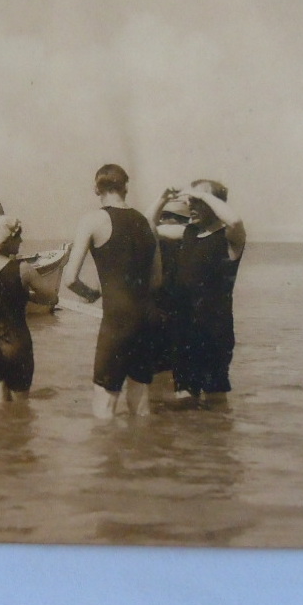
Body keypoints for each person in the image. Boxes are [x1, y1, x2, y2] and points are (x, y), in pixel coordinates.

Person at [63, 163, 161, 419]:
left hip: (116, 321)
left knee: (104, 404)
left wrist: (90, 294)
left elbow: (70, 278)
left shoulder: (93, 220)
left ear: (96, 189)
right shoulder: (147, 223)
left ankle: (108, 457)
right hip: (146, 319)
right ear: (126, 187)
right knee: (140, 402)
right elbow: (157, 280)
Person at [150, 179, 245, 399]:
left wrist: (202, 195)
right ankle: (192, 431)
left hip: (214, 330)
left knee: (215, 396)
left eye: (197, 201)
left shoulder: (229, 239)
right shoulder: (188, 232)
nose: (191, 206)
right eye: (189, 201)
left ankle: (216, 432)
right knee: (183, 395)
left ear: (215, 203)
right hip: (183, 328)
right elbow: (148, 225)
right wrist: (163, 198)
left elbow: (235, 221)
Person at [0, 216, 59, 403]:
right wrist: (28, 296)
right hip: (17, 343)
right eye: (18, 237)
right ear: (7, 241)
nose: (21, 241)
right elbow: (51, 297)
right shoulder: (24, 269)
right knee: (20, 412)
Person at [145, 193, 191, 377]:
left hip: (156, 307)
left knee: (156, 373)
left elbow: (147, 222)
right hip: (186, 310)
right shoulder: (193, 236)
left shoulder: (152, 235)